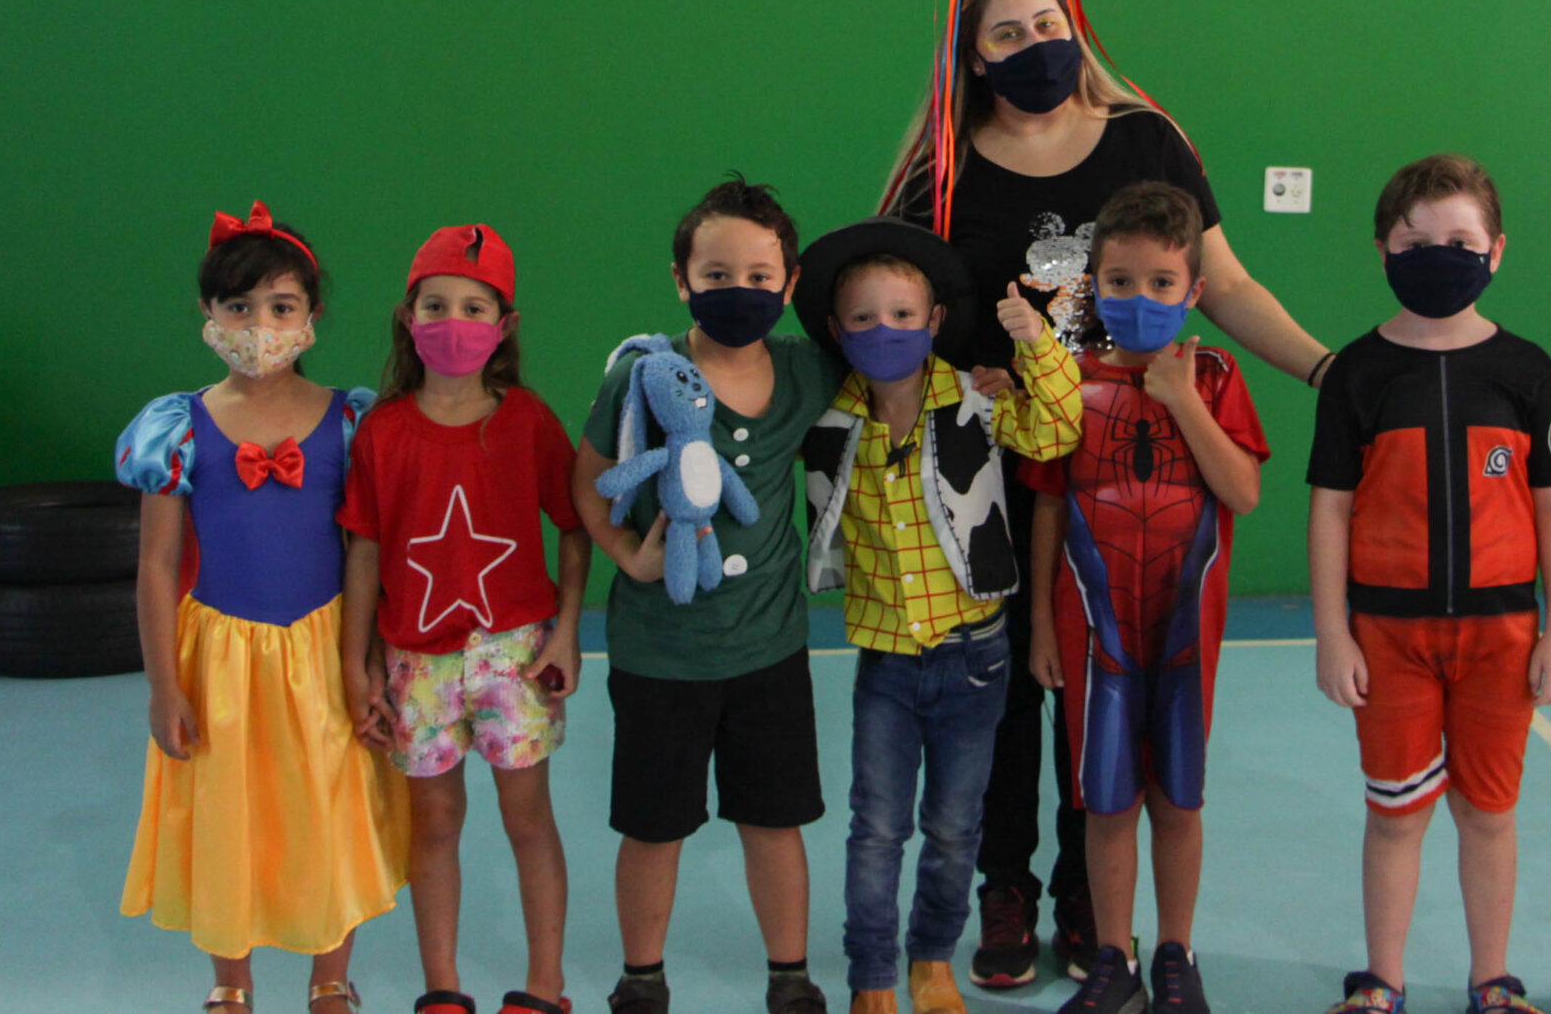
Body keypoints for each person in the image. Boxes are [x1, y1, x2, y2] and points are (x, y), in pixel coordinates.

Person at [880, 0, 1325, 986]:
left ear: (1074, 24)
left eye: (1047, 22)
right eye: (1005, 33)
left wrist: (1328, 369)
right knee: (1004, 687)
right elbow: (893, 313)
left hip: (1124, 469)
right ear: (971, 59)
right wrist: (958, 386)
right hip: (991, 474)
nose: (1034, 44)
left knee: (1104, 683)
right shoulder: (941, 172)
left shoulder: (1145, 140)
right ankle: (1005, 886)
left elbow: (1225, 285)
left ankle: (1093, 894)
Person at [117, 202, 410, 1014]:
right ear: (208, 313)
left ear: (312, 314)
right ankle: (232, 977)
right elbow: (156, 564)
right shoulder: (178, 425)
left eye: (281, 307)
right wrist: (162, 686)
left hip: (323, 645)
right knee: (227, 810)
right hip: (219, 655)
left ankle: (329, 973)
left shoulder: (350, 421)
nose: (260, 327)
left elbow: (366, 551)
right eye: (239, 307)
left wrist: (369, 660)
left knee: (327, 803)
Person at [1306, 154, 1551, 1014]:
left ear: (1496, 250)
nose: (1439, 255)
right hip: (1388, 638)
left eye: (1460, 241)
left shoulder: (1528, 369)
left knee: (1489, 813)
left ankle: (1491, 980)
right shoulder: (1357, 372)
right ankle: (1381, 980)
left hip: (1503, 638)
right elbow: (1330, 510)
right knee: (1395, 813)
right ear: (1382, 250)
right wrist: (1333, 632)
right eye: (1415, 239)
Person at [792, 218, 1085, 1014]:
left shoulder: (977, 398)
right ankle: (873, 973)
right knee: (876, 828)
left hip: (976, 658)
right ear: (836, 329)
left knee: (956, 827)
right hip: (887, 665)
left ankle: (931, 960)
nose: (883, 329)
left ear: (934, 321)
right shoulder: (828, 420)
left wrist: (1037, 347)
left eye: (901, 314)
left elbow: (1057, 431)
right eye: (863, 317)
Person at [574, 178, 847, 1014]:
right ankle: (642, 975)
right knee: (653, 825)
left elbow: (894, 369)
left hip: (769, 649)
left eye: (760, 276)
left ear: (789, 284)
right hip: (662, 653)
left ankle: (789, 973)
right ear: (681, 278)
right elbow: (587, 483)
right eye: (717, 274)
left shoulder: (807, 369)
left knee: (775, 819)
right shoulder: (644, 378)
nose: (740, 290)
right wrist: (629, 557)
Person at [1019, 183, 1269, 1014]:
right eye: (1120, 282)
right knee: (1106, 798)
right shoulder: (1067, 380)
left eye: (1162, 282)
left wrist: (1182, 398)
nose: (1140, 297)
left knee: (1178, 797)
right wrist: (1041, 624)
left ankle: (1175, 951)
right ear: (1093, 285)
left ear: (1193, 290)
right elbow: (1048, 504)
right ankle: (1112, 957)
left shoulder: (1216, 376)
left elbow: (1242, 491)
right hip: (1095, 630)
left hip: (1185, 629)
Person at [339, 223, 591, 1014]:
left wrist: (567, 629)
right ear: (408, 317)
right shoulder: (382, 432)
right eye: (436, 305)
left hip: (515, 655)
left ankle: (545, 984)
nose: (454, 321)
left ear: (504, 325)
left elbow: (575, 526)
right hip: (415, 659)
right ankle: (441, 986)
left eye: (474, 307)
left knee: (527, 817)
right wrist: (359, 662)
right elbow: (363, 550)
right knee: (435, 820)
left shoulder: (527, 420)